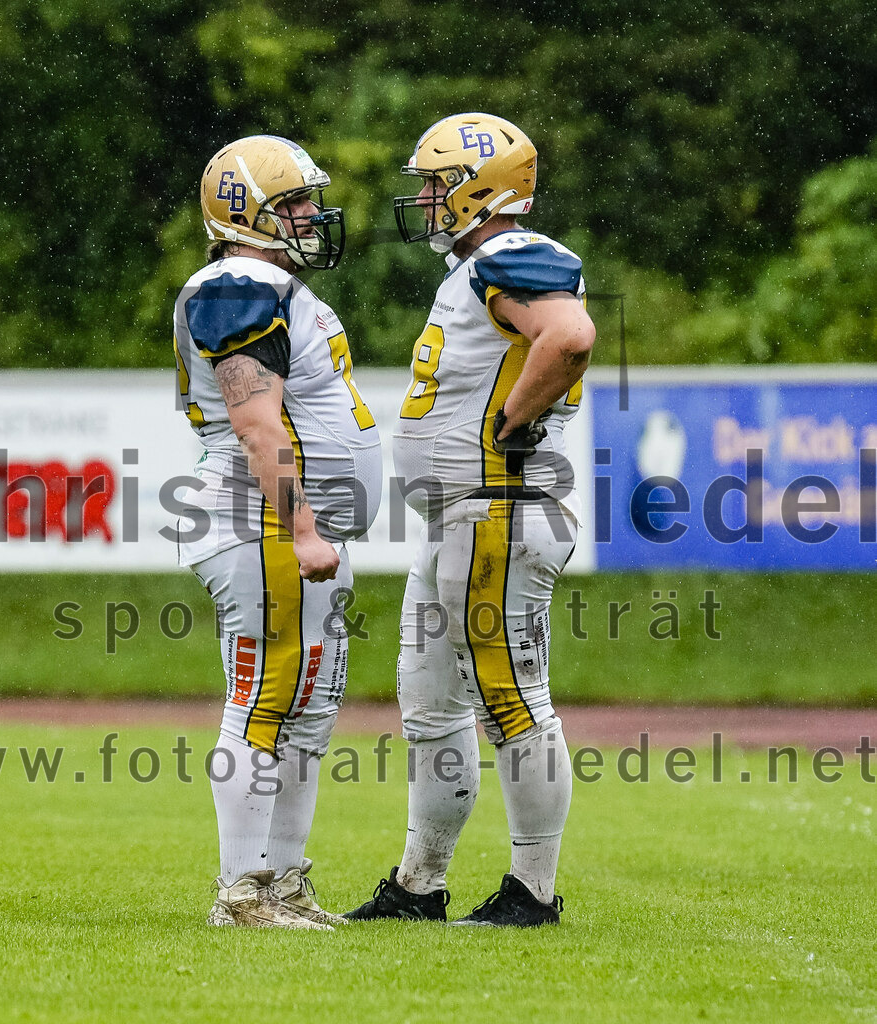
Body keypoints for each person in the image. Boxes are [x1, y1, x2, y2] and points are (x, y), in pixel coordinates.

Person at [345, 113, 595, 926]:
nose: (423, 198)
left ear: (479, 187)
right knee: (429, 703)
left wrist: (508, 427)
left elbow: (570, 336)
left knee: (512, 698)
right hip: (465, 516)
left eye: (436, 182)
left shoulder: (510, 253)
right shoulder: (479, 267)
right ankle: (420, 886)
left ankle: (533, 893)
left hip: (499, 511)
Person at [173, 135, 381, 930]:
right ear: (243, 213)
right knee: (264, 695)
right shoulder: (238, 281)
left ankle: (285, 882)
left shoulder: (270, 284)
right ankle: (242, 891)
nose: (310, 216)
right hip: (258, 516)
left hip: (292, 525)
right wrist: (299, 527)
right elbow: (258, 425)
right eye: (292, 203)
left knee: (309, 704)